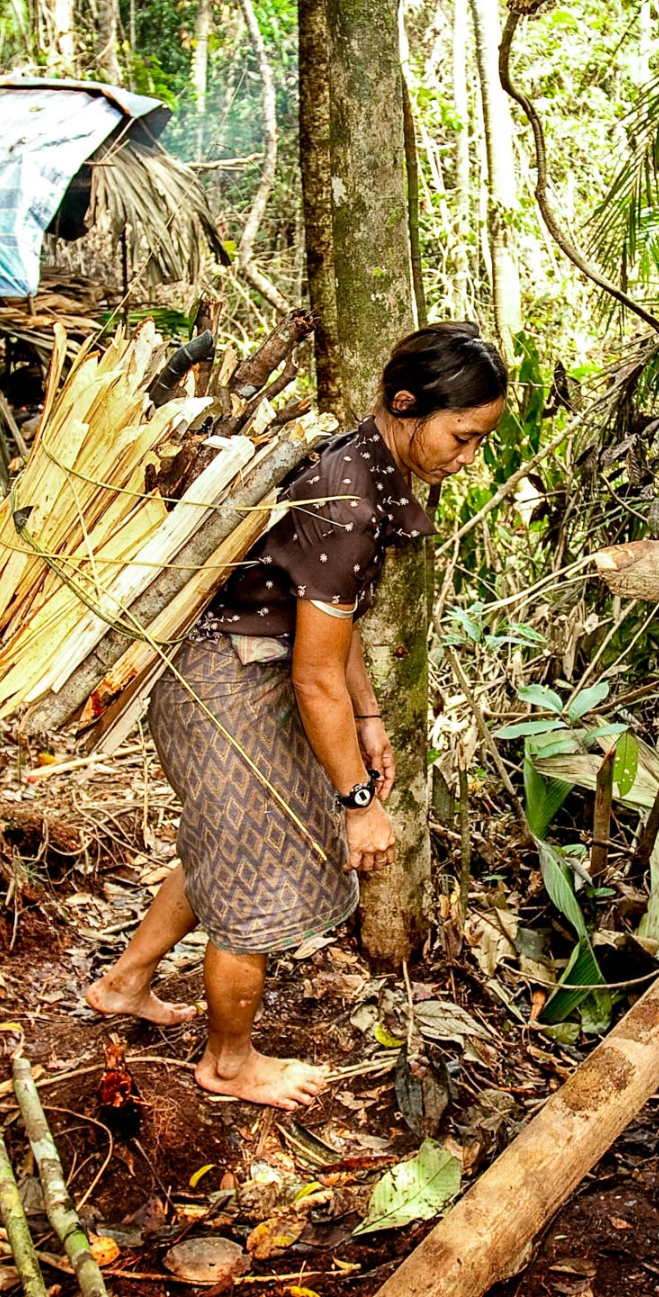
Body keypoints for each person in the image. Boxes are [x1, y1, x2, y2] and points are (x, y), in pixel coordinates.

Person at [86, 321, 508, 1109]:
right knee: (249, 886)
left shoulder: (366, 463)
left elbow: (330, 627)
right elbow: (316, 674)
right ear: (406, 405)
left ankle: (125, 980)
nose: (468, 456)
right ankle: (228, 1062)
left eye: (479, 440)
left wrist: (371, 716)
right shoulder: (350, 499)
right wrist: (358, 806)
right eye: (462, 435)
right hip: (225, 685)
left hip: (252, 672)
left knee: (226, 845)